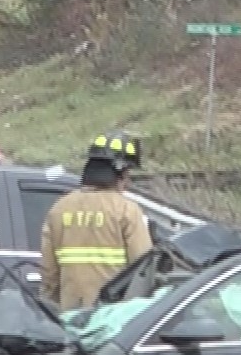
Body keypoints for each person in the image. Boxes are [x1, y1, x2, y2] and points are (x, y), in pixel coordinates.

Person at [39, 132, 154, 311]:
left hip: (70, 319)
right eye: (127, 175)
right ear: (119, 174)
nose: (128, 182)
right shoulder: (126, 210)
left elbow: (49, 275)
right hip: (113, 318)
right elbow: (143, 268)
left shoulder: (59, 209)